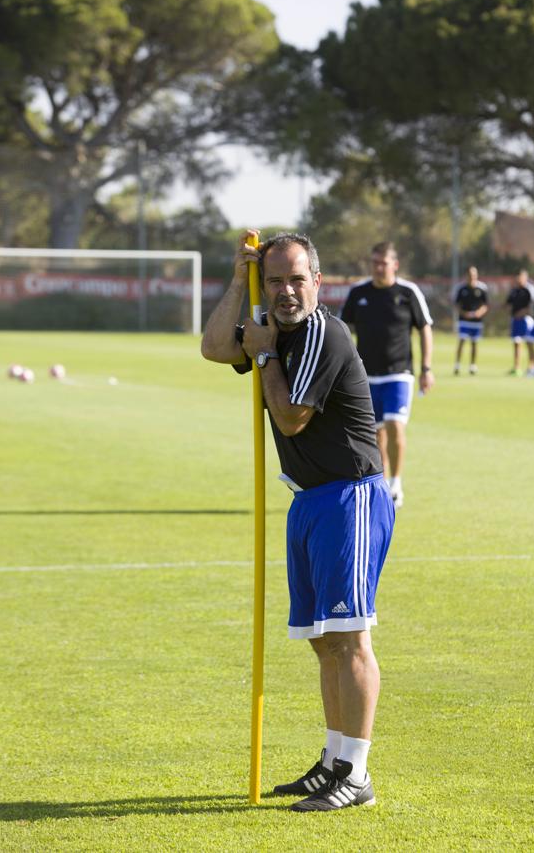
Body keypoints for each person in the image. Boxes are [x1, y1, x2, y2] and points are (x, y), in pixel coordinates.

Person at [201, 230, 395, 812]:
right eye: (275, 279)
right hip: (310, 499)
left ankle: (355, 774)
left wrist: (260, 353)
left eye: (296, 279)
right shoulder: (274, 330)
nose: (286, 291)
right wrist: (241, 281)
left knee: (349, 636)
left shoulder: (319, 333)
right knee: (322, 642)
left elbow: (290, 419)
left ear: (318, 281)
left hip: (350, 496)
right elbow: (213, 347)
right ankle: (334, 760)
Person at [339, 241, 434, 510]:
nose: (378, 268)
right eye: (375, 262)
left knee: (394, 425)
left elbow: (425, 328)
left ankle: (396, 484)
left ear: (395, 264)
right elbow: (343, 331)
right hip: (364, 375)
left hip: (399, 374)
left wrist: (427, 368)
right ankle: (379, 484)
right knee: (374, 434)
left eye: (383, 263)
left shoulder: (407, 292)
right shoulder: (358, 292)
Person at [453, 265, 489, 375]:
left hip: (476, 322)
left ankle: (472, 365)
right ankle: (457, 365)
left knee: (474, 343)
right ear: (466, 275)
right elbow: (456, 304)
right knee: (462, 341)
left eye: (474, 274)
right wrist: (464, 313)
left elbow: (485, 305)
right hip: (464, 320)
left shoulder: (482, 288)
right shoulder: (461, 288)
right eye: (470, 274)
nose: (472, 276)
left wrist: (479, 313)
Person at [505, 269, 534, 376]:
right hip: (515, 320)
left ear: (525, 278)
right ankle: (516, 367)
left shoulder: (529, 289)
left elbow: (533, 305)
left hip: (526, 320)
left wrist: (523, 313)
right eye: (517, 277)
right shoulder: (514, 290)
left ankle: (532, 366)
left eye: (521, 277)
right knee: (516, 343)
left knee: (529, 343)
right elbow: (508, 303)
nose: (518, 279)